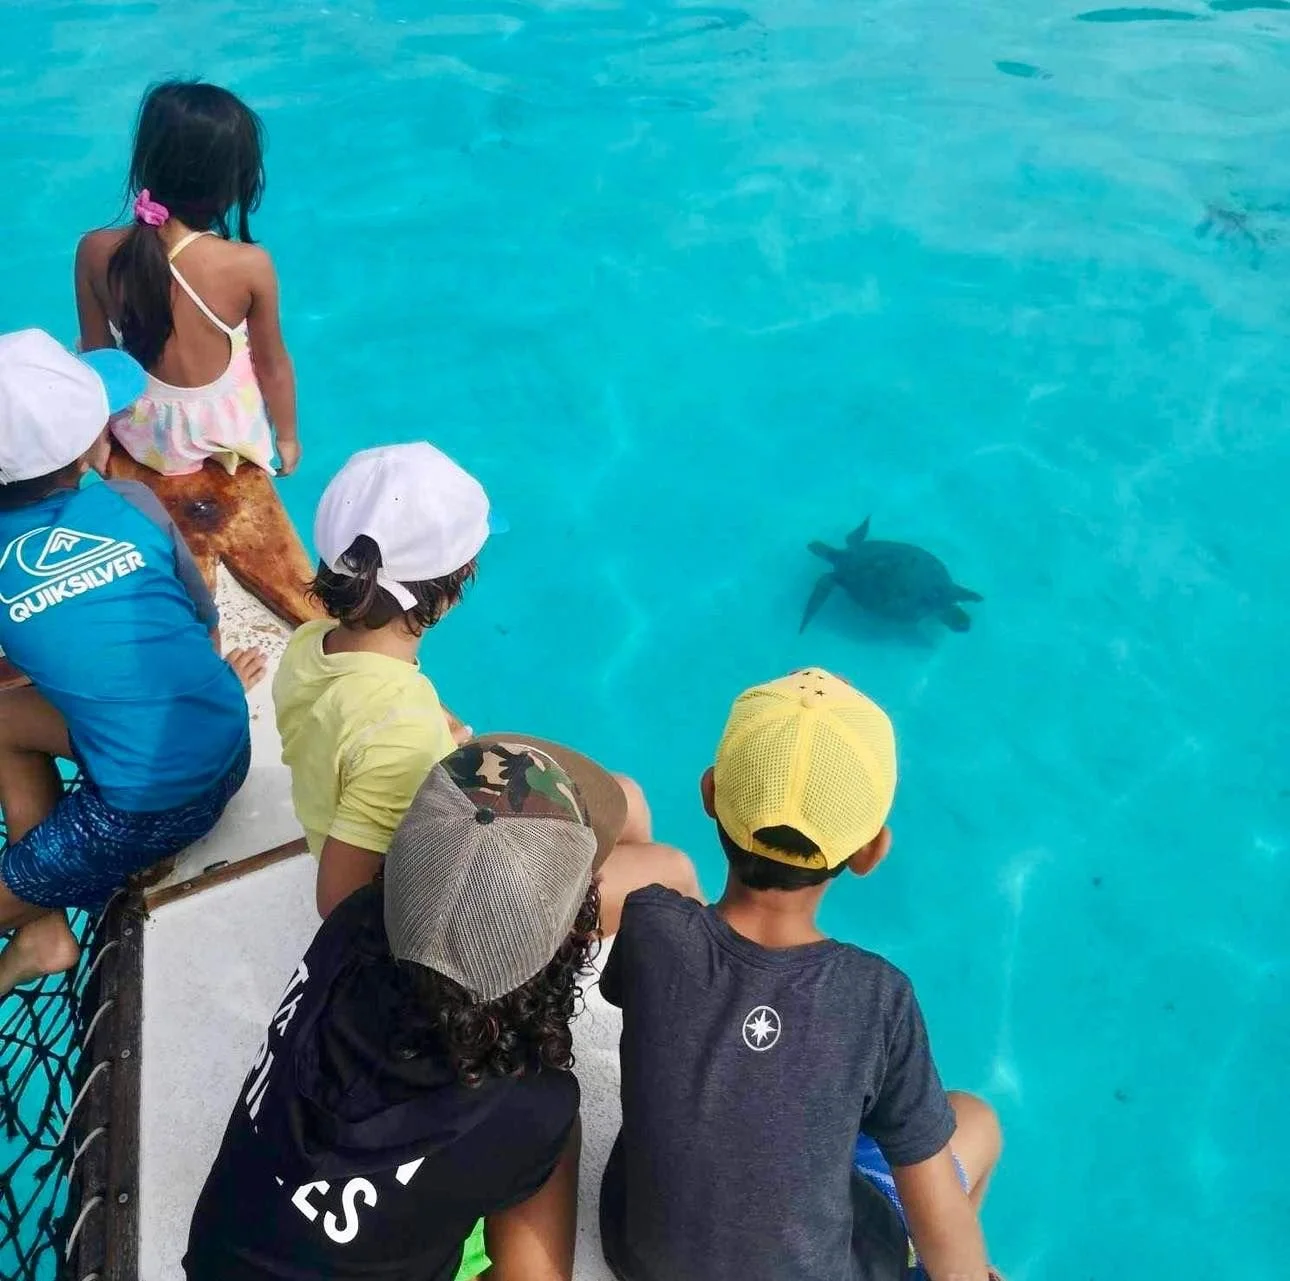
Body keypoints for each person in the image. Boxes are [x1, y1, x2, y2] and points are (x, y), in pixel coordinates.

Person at [598, 668, 1005, 1281]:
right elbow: (942, 1219)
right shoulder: (877, 999)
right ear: (871, 851)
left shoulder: (652, 928)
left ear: (710, 795)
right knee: (976, 1122)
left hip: (639, 1256)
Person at [184, 736, 628, 1281]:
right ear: (569, 937)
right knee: (554, 1133)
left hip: (216, 1260)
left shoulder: (351, 926)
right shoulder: (528, 1102)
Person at [277, 442, 700, 925]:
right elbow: (341, 905)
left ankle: (616, 928)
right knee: (672, 870)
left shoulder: (313, 645)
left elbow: (361, 725)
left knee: (626, 798)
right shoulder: (398, 731)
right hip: (456, 914)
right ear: (453, 587)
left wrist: (435, 745)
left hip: (423, 842)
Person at [0, 329, 263, 996]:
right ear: (93, 443)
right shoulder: (133, 503)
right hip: (228, 740)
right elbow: (200, 621)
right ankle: (45, 930)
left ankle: (37, 922)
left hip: (144, 812)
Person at [74, 80, 300, 478]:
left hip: (142, 438)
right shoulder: (249, 264)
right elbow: (273, 364)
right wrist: (287, 437)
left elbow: (98, 357)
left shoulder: (94, 250)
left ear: (146, 162)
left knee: (80, 349)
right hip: (225, 439)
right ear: (232, 181)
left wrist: (97, 437)